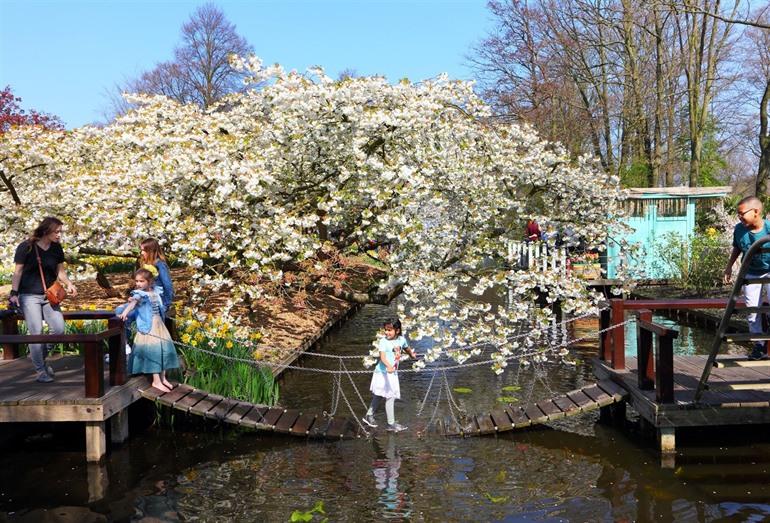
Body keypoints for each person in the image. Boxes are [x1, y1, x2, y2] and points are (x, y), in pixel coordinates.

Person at [9, 217, 78, 383]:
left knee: (59, 329)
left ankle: (39, 355)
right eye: (57, 231)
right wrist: (13, 293)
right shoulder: (26, 247)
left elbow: (60, 271)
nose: (59, 235)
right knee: (36, 333)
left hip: (50, 295)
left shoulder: (56, 249)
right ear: (46, 231)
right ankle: (40, 370)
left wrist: (69, 284)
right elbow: (18, 272)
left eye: (60, 232)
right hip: (29, 296)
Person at [116, 268, 179, 392]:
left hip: (159, 325)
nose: (138, 284)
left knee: (164, 350)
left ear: (149, 282)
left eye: (141, 281)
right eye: (137, 281)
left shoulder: (155, 291)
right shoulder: (139, 294)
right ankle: (156, 381)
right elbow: (133, 304)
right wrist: (124, 313)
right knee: (153, 351)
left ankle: (163, 377)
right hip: (149, 327)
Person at [723, 195, 770, 360]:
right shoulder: (739, 229)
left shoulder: (768, 228)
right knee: (752, 310)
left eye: (742, 213)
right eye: (738, 214)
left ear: (756, 212)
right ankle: (759, 345)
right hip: (750, 271)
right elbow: (736, 248)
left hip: (769, 271)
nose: (739, 217)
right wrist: (729, 267)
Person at [362, 318, 417, 432]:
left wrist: (412, 355)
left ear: (397, 330)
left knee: (380, 395)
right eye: (385, 330)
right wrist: (389, 366)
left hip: (392, 373)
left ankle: (369, 415)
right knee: (390, 396)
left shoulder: (401, 340)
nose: (387, 332)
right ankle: (391, 424)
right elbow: (382, 357)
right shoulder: (383, 341)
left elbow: (406, 347)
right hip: (382, 373)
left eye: (389, 330)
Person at [122, 238, 175, 352]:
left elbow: (168, 286)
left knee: (126, 314)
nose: (141, 253)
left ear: (151, 251)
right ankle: (125, 345)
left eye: (143, 250)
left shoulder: (160, 265)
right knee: (119, 312)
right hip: (143, 300)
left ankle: (128, 346)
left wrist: (166, 304)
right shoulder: (145, 264)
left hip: (154, 302)